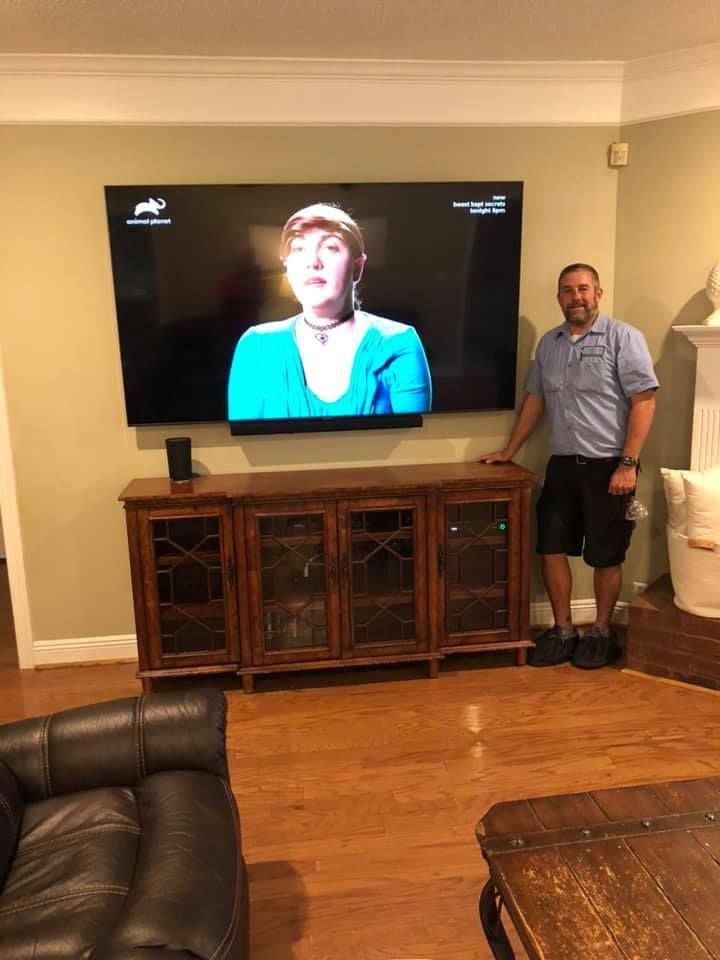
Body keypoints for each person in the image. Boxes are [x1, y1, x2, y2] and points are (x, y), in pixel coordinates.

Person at [481, 263, 658, 669]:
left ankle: (599, 630)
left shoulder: (623, 338)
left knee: (605, 554)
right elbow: (535, 400)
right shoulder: (550, 344)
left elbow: (644, 402)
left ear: (598, 293)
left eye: (582, 289)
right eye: (566, 290)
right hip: (562, 465)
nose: (574, 297)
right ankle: (563, 631)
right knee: (550, 547)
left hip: (610, 467)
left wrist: (628, 464)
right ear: (558, 297)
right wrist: (511, 449)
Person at [227, 203, 432, 420]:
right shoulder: (255, 345)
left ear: (357, 267)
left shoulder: (399, 342)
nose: (313, 262)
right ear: (287, 266)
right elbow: (246, 445)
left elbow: (413, 445)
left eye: (330, 247)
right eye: (298, 248)